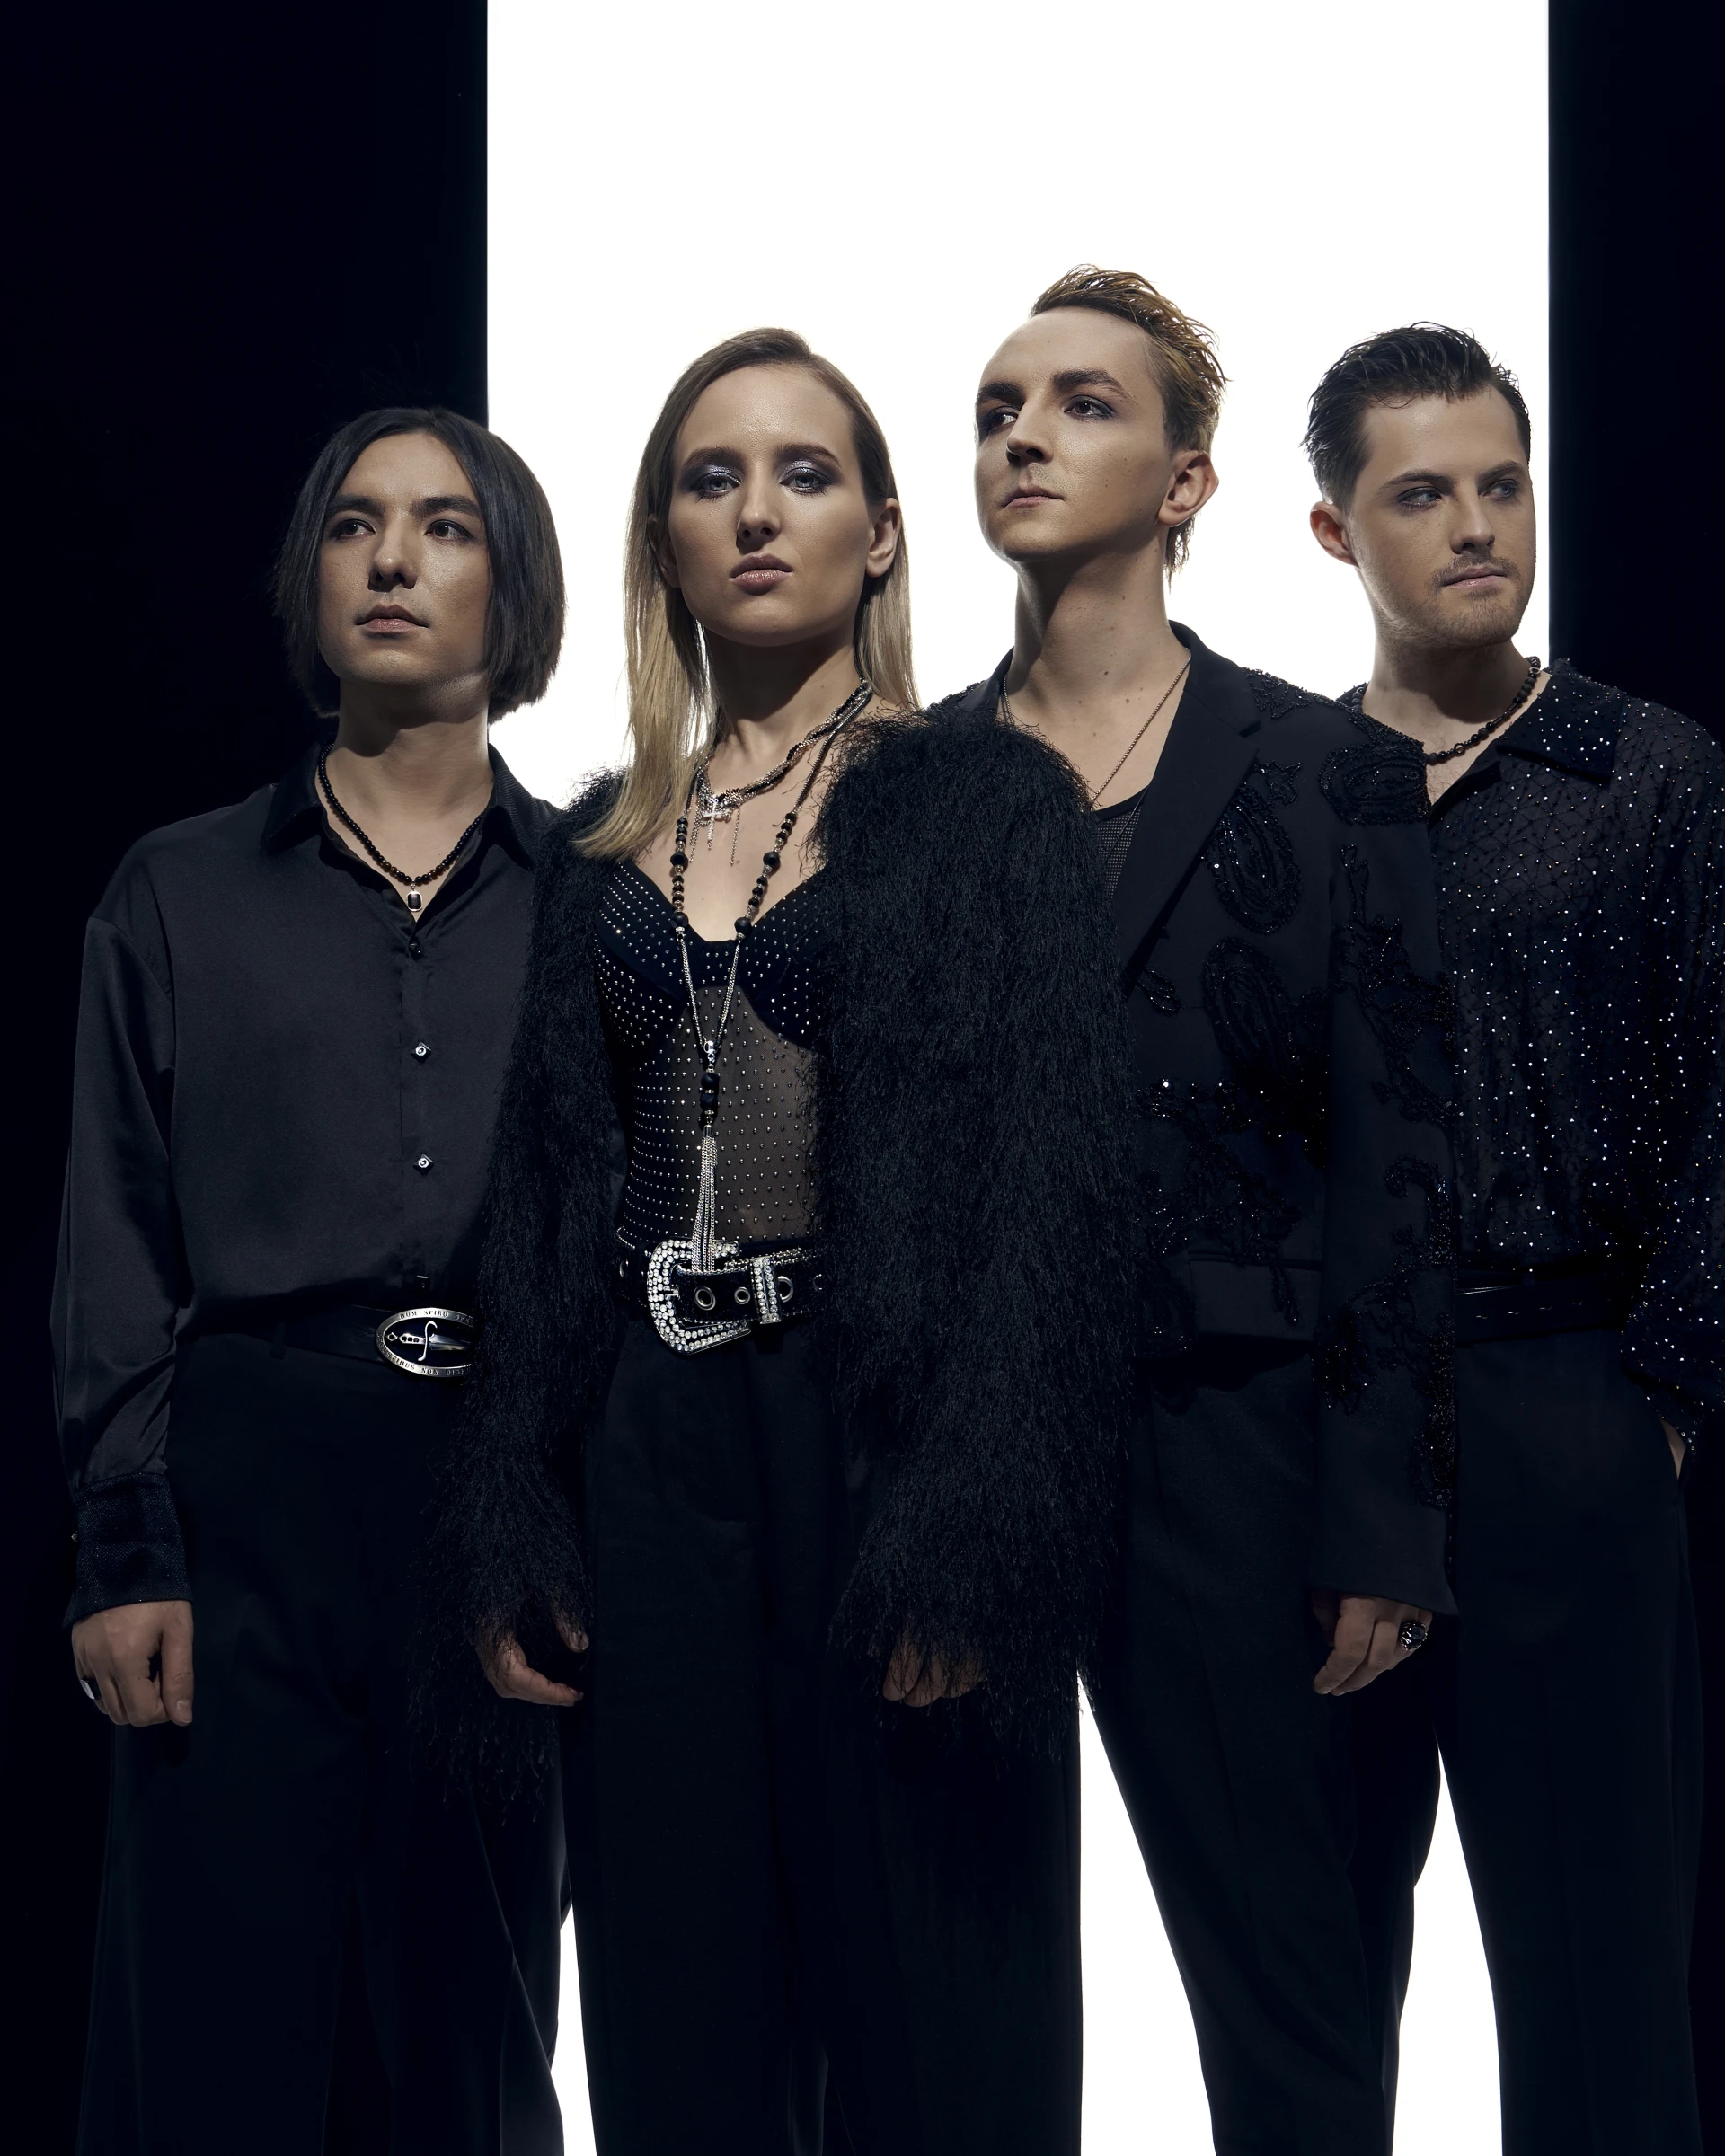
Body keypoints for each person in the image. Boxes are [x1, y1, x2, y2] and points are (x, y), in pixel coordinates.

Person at [422, 329, 1136, 2156]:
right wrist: (517, 1510)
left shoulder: (991, 805)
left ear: (882, 533)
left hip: (879, 1443)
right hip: (654, 1452)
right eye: (711, 479)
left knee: (936, 2014)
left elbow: (1051, 1210)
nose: (756, 513)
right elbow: (541, 1215)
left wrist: (972, 1534)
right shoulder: (601, 847)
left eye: (803, 475)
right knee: (677, 2008)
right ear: (662, 542)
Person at [929, 268, 1455, 2156]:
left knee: (1296, 2002)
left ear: (1187, 482)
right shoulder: (912, 786)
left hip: (1241, 1448)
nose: (1025, 435)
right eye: (1000, 408)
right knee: (959, 1998)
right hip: (978, 1466)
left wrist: (1384, 1518)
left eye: (1083, 403)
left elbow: (1404, 1162)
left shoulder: (1331, 776)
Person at [58, 407, 570, 2154]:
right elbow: (116, 1233)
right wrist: (126, 1553)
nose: (393, 557)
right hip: (246, 1492)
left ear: (515, 590)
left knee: (476, 2047)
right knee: (208, 2039)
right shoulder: (178, 891)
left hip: (491, 1500)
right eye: (355, 524)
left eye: (445, 526)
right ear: (311, 577)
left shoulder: (591, 903)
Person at [1307, 323, 1708, 2156]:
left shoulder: (1651, 774)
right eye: (1421, 494)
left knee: (1601, 1971)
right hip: (1332, 1432)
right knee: (1315, 1968)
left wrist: (1658, 1406)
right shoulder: (1289, 792)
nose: (1476, 525)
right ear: (1335, 531)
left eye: (1501, 483)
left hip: (1572, 1397)